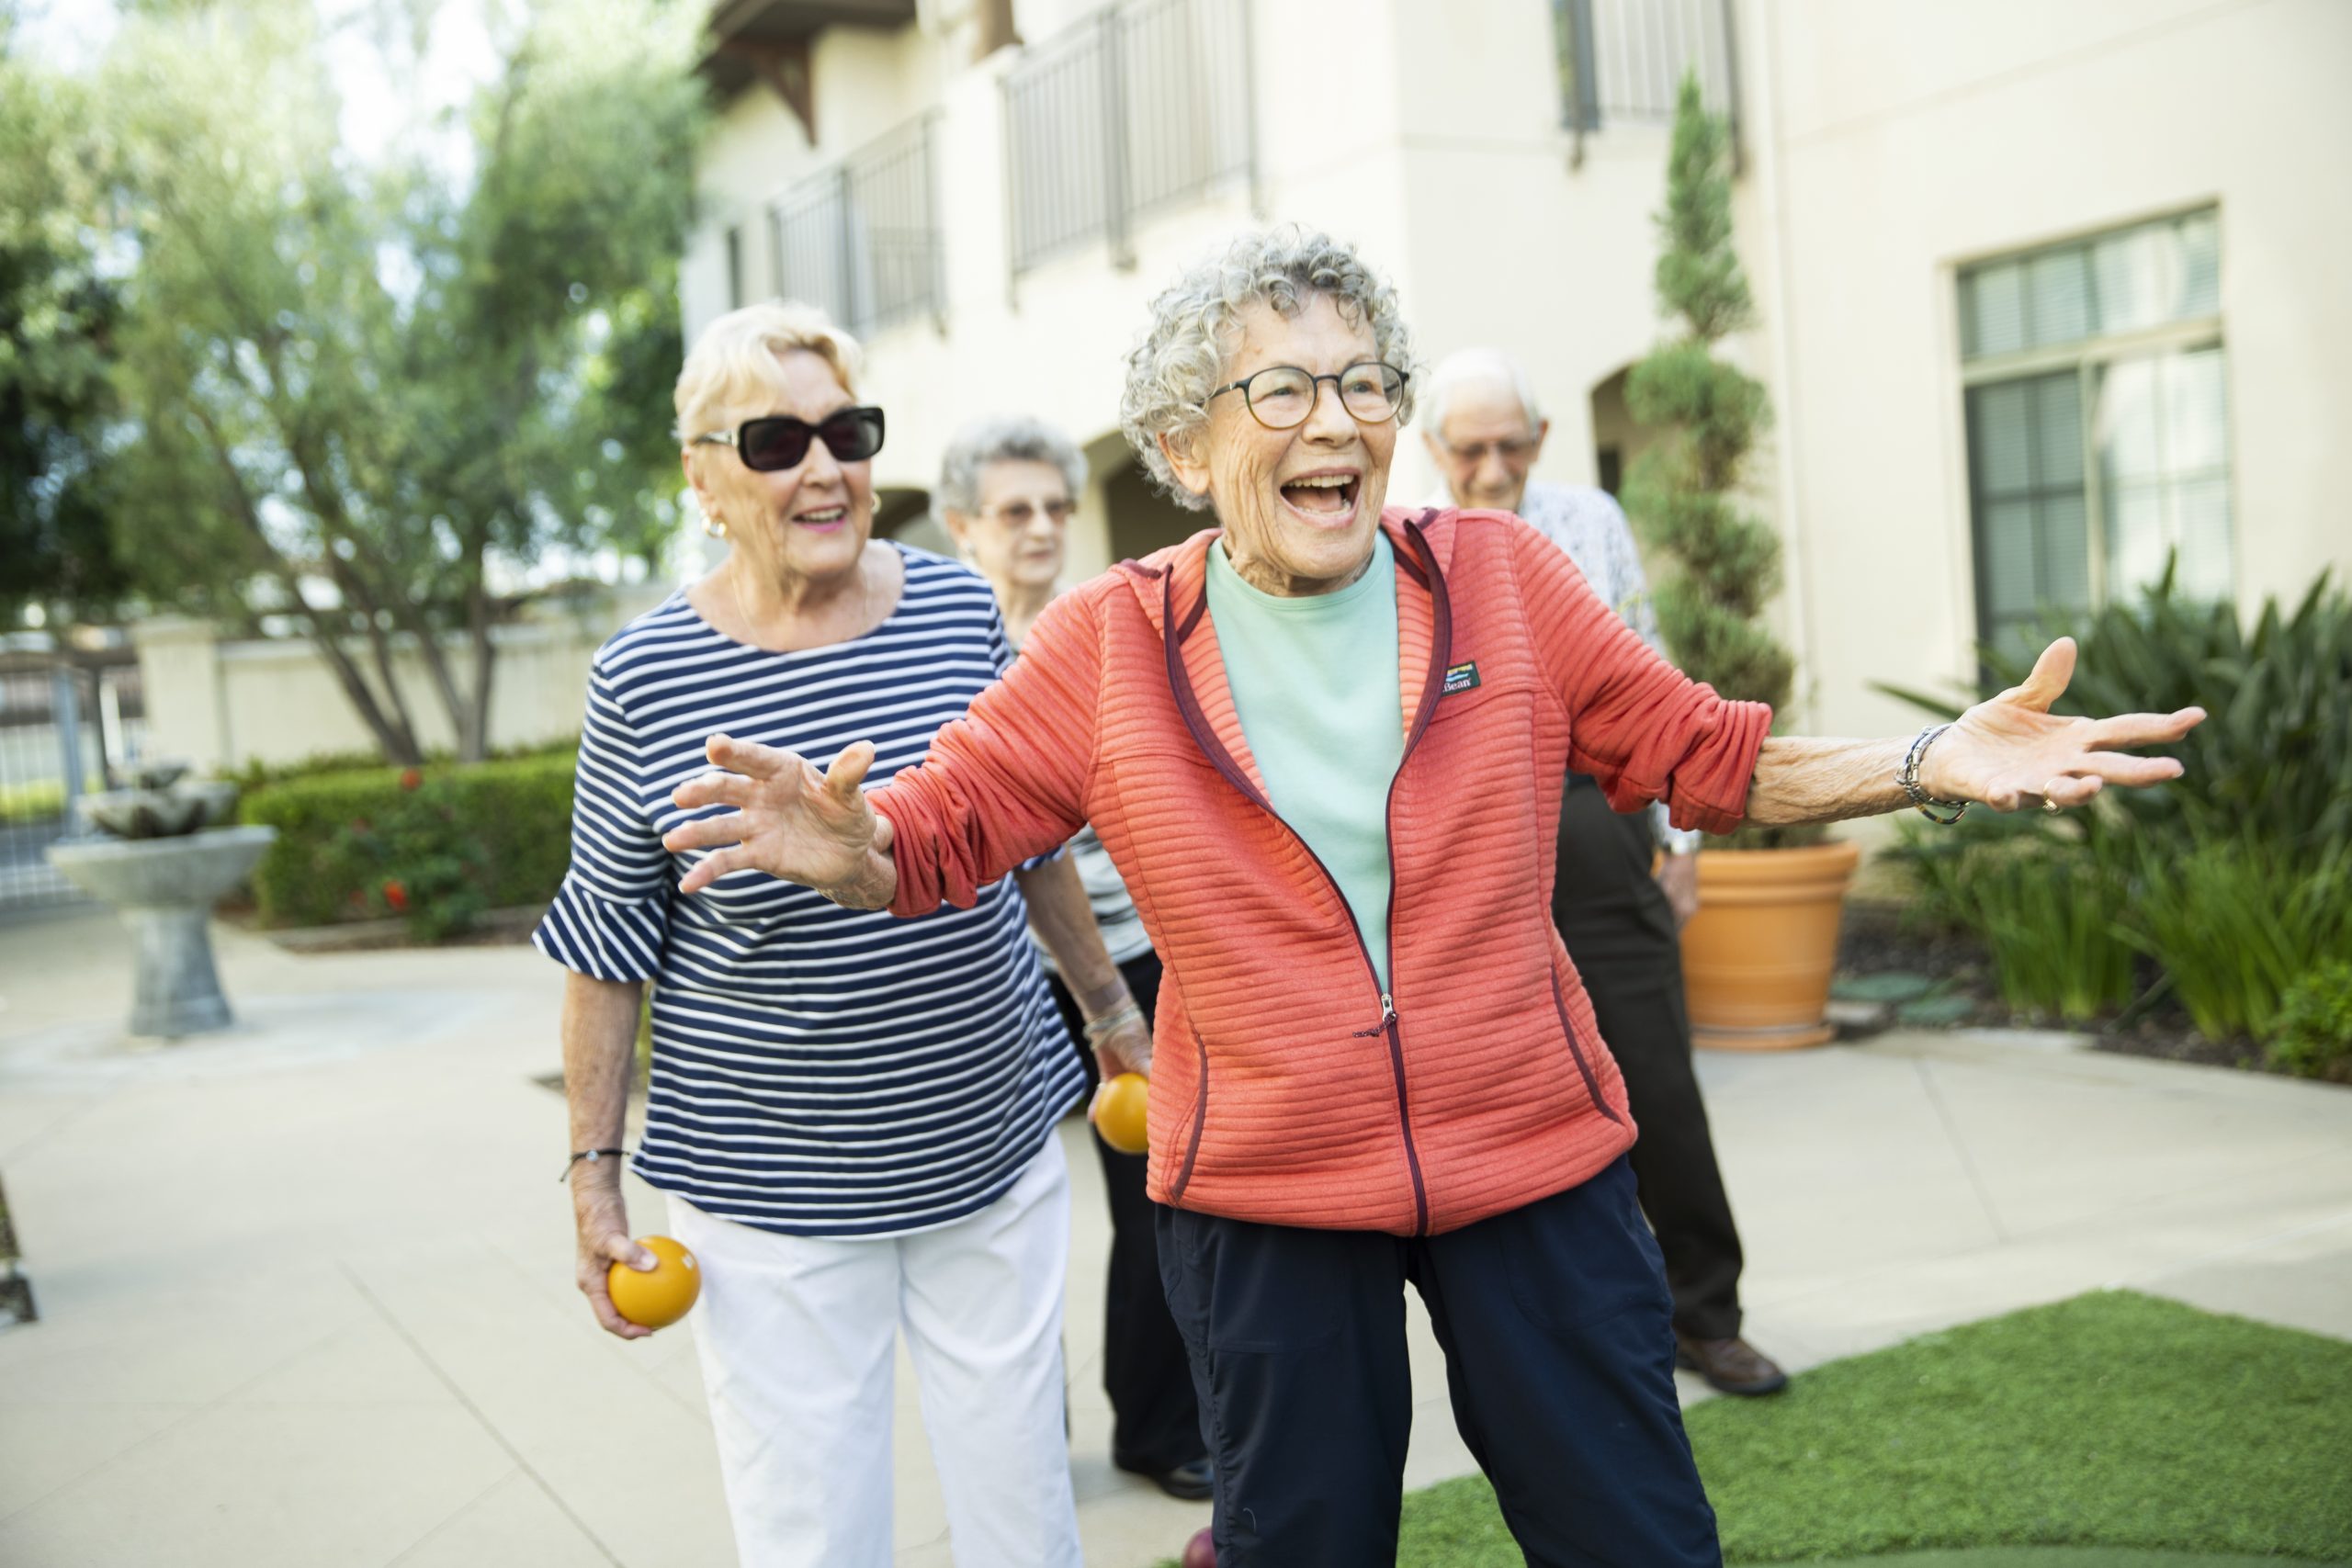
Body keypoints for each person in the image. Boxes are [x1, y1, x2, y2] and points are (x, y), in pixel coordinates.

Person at [660, 229, 2204, 1568]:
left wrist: (1936, 753)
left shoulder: (1506, 578)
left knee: (1636, 1536)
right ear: (1188, 451)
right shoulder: (1107, 644)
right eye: (1284, 390)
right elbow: (944, 828)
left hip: (1533, 1159)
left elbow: (1708, 755)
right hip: (1266, 1196)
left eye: (1362, 383)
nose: (1337, 420)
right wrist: (846, 845)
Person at [540, 300, 1151, 1568]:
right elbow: (608, 940)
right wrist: (595, 1174)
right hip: (771, 1188)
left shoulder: (954, 610)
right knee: (813, 1531)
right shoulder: (645, 675)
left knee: (1025, 1506)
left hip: (986, 1136)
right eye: (773, 440)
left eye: (845, 431)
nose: (821, 466)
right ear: (704, 478)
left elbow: (1029, 836)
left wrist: (1109, 1014)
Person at [1421, 346, 1784, 1396]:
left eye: (1508, 444)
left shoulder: (1591, 523)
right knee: (1497, 1095)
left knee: (1656, 1078)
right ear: (1436, 453)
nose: (1491, 466)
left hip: (1591, 813)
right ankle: (1561, 1332)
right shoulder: (1403, 539)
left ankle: (1704, 1316)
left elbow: (1652, 674)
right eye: (1469, 448)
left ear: (1538, 441)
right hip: (1465, 823)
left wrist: (1682, 843)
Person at [934, 414, 1214, 1501]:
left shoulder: (1109, 631)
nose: (1043, 527)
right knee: (1011, 1213)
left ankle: (1156, 1425)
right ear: (964, 526)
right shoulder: (942, 648)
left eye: (1057, 506)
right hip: (1002, 968)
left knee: (1156, 1197)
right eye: (1016, 511)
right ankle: (1023, 1439)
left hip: (1130, 953)